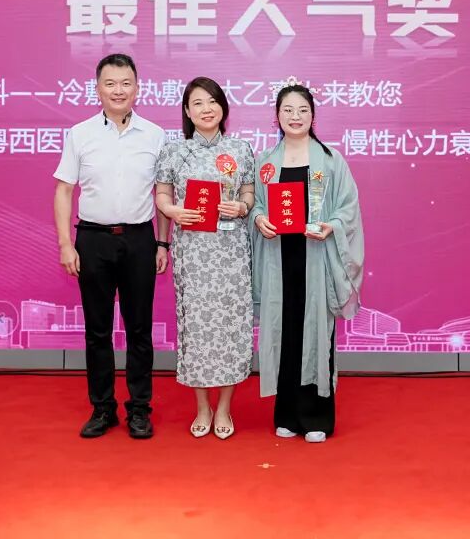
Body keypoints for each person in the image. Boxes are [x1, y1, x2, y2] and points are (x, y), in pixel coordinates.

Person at [53, 54, 170, 440]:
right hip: (93, 240)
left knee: (139, 329)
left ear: (137, 88)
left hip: (139, 239)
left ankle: (139, 409)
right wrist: (66, 244)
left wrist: (162, 242)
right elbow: (64, 190)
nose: (118, 90)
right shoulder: (80, 133)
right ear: (97, 88)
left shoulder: (155, 135)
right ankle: (102, 408)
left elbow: (163, 193)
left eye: (125, 83)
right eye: (110, 83)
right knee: (97, 330)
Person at [251, 79, 364, 443]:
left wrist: (332, 225)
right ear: (276, 117)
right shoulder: (266, 163)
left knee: (316, 334)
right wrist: (258, 218)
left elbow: (348, 208)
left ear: (313, 116)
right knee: (283, 333)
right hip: (278, 259)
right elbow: (255, 204)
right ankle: (287, 414)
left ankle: (316, 417)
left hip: (317, 259)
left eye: (303, 110)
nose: (295, 116)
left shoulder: (330, 161)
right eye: (287, 110)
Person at [154, 77, 255, 440]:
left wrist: (241, 207)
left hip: (231, 253)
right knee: (196, 328)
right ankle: (202, 407)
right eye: (197, 103)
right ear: (187, 110)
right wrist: (173, 211)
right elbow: (161, 196)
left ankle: (224, 407)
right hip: (193, 252)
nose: (206, 109)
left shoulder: (241, 149)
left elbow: (249, 194)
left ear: (223, 107)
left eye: (212, 101)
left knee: (230, 327)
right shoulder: (174, 151)